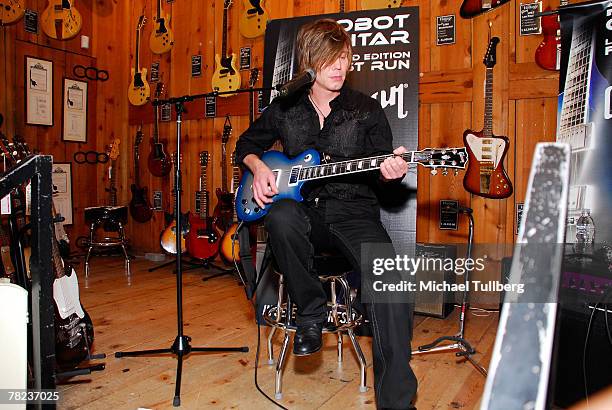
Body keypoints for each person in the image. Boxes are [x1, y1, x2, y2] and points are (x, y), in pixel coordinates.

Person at [235, 19, 417, 409]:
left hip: (354, 212)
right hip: (303, 215)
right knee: (281, 215)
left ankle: (398, 401)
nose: (340, 67)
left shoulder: (365, 110)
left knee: (393, 283)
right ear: (309, 62)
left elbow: (385, 179)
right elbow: (246, 144)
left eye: (345, 58)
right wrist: (259, 167)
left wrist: (392, 171)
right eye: (331, 59)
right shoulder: (285, 107)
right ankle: (311, 311)